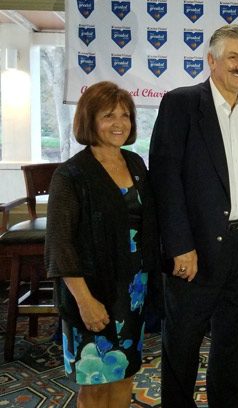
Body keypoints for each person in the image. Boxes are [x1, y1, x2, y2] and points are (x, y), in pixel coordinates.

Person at [148, 24, 238, 407]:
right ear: (211, 61)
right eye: (233, 56)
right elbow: (165, 180)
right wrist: (180, 246)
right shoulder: (181, 103)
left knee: (232, 344)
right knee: (182, 344)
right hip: (194, 250)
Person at [44, 81, 160, 408]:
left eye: (125, 115)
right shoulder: (71, 175)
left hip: (132, 293)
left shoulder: (135, 164)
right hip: (91, 292)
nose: (119, 123)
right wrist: (85, 301)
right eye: (108, 115)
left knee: (123, 372)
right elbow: (59, 244)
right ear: (89, 120)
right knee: (94, 382)